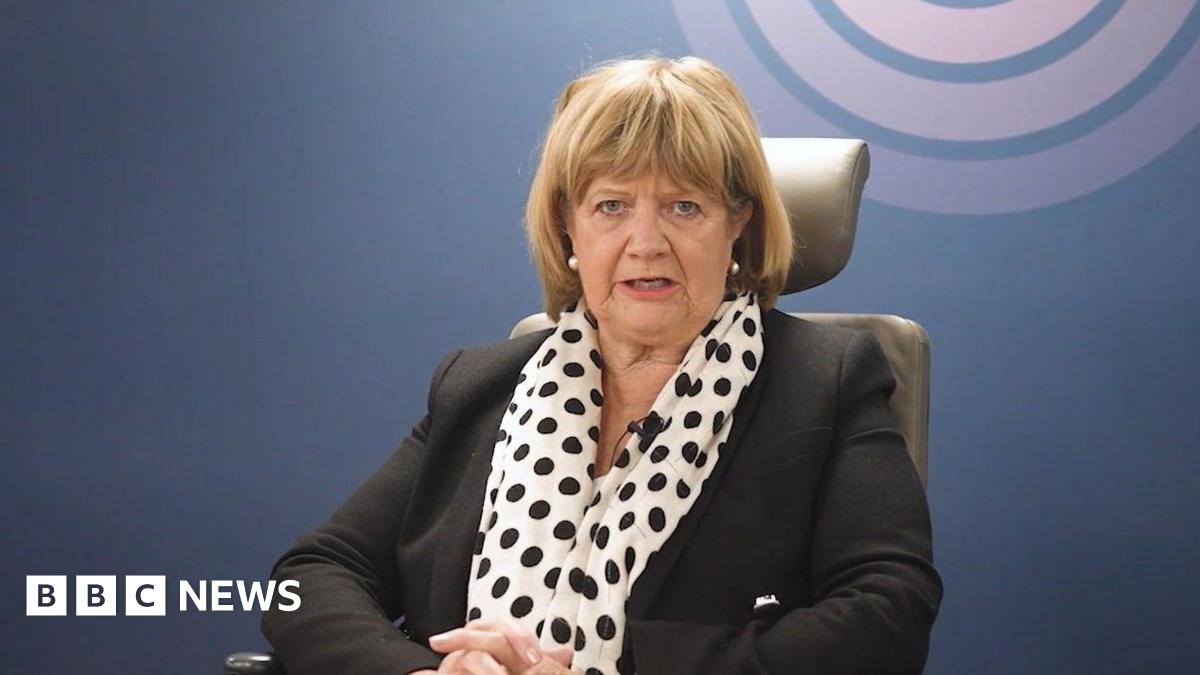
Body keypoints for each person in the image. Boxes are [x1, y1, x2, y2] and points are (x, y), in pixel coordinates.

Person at [261, 55, 941, 675]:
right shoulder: (479, 385)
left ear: (737, 221)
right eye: (611, 206)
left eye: (684, 206)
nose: (646, 242)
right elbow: (313, 574)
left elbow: (888, 613)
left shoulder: (826, 379)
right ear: (568, 225)